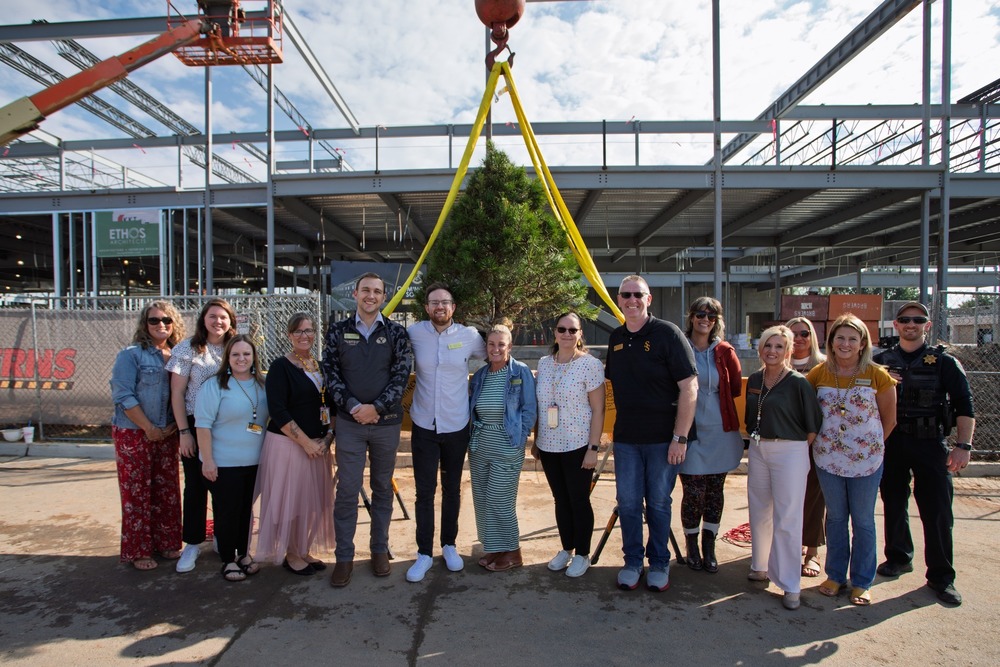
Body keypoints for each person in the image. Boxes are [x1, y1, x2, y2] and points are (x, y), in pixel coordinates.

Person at [873, 302, 976, 606]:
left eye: (918, 320)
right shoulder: (881, 362)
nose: (911, 324)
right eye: (905, 319)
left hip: (930, 443)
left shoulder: (944, 363)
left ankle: (941, 577)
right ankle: (899, 556)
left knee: (937, 511)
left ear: (927, 326)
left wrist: (963, 446)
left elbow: (964, 405)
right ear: (896, 324)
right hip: (893, 442)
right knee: (893, 502)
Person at [605, 275, 697, 592]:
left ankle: (659, 562)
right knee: (628, 503)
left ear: (649, 298)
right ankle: (633, 562)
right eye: (625, 295)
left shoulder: (667, 334)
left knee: (658, 503)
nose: (631, 300)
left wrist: (680, 437)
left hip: (663, 440)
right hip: (627, 439)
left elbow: (689, 387)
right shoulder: (615, 338)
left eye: (637, 295)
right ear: (618, 299)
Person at [323, 272, 413, 587]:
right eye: (365, 290)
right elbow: (330, 373)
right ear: (356, 294)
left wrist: (376, 408)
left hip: (385, 424)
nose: (371, 296)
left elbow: (401, 375)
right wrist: (353, 407)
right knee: (347, 491)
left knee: (382, 489)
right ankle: (344, 557)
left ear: (384, 297)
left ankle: (378, 550)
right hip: (350, 425)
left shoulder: (397, 333)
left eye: (377, 291)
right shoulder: (337, 331)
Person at [807, 314, 896, 606]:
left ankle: (861, 581)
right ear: (831, 342)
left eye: (852, 339)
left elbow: (889, 420)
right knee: (834, 518)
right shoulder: (818, 374)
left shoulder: (877, 375)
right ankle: (835, 575)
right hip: (828, 460)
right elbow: (804, 409)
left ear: (862, 344)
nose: (845, 344)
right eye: (840, 338)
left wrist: (867, 449)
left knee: (863, 521)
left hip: (866, 463)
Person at [405, 283, 485, 583]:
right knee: (424, 492)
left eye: (446, 302)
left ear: (454, 307)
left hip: (456, 425)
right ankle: (424, 552)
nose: (440, 306)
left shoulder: (469, 336)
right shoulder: (414, 333)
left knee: (452, 489)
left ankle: (449, 545)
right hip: (424, 425)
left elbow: (494, 356)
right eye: (434, 302)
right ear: (426, 307)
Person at [744, 325, 822, 610]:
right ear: (761, 349)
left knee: (788, 516)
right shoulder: (755, 378)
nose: (772, 351)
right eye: (768, 345)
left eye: (779, 346)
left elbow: (813, 425)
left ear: (788, 351)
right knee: (759, 508)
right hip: (759, 447)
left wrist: (794, 449)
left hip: (790, 449)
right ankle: (760, 564)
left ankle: (790, 584)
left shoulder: (798, 382)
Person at [254, 313, 335, 575]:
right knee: (290, 501)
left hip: (318, 445)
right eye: (299, 331)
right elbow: (279, 410)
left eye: (309, 330)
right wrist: (305, 443)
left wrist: (327, 438)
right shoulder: (281, 367)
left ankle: (302, 548)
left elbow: (329, 406)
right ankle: (290, 553)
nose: (305, 336)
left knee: (309, 502)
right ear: (289, 335)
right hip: (289, 445)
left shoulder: (319, 366)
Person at [110, 301, 186, 570]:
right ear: (145, 324)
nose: (161, 324)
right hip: (134, 434)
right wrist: (148, 428)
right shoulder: (131, 355)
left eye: (167, 319)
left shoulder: (178, 355)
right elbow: (123, 395)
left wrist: (172, 427)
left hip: (167, 433)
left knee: (167, 491)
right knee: (137, 493)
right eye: (154, 320)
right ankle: (139, 551)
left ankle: (167, 542)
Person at [166, 297, 237, 573]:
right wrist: (184, 431)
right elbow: (177, 392)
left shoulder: (236, 347)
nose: (218, 321)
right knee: (196, 486)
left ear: (231, 320)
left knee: (224, 484)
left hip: (228, 425)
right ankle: (193, 543)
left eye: (223, 317)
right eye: (213, 316)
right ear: (203, 320)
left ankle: (222, 535)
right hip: (196, 424)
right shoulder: (189, 348)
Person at [531, 312, 605, 579]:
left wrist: (593, 448)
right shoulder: (544, 363)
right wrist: (537, 439)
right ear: (554, 332)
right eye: (562, 329)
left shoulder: (590, 365)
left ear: (580, 334)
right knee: (560, 500)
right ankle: (566, 548)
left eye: (572, 330)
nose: (566, 334)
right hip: (549, 445)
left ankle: (583, 554)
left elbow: (598, 410)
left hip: (578, 444)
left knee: (578, 500)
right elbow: (541, 406)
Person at [195, 334, 269, 582]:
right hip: (224, 463)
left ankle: (244, 554)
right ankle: (228, 559)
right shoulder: (214, 386)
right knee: (227, 512)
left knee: (246, 512)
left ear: (254, 357)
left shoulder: (262, 384)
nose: (241, 359)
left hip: (254, 461)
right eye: (236, 354)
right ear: (228, 357)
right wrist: (207, 460)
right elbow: (203, 426)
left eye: (246, 354)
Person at [679, 297, 743, 575]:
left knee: (715, 492)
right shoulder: (679, 347)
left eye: (712, 316)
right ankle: (691, 544)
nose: (705, 319)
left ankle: (709, 545)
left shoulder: (725, 351)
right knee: (693, 492)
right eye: (700, 314)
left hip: (719, 431)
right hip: (689, 432)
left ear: (717, 321)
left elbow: (736, 388)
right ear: (692, 316)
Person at [468, 323, 537, 572]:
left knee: (500, 500)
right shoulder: (480, 375)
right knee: (484, 499)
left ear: (509, 346)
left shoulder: (520, 372)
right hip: (480, 444)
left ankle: (514, 552)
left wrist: (521, 437)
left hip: (507, 444)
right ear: (486, 347)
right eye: (491, 344)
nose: (496, 349)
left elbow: (529, 409)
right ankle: (496, 548)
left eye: (501, 344)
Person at [786, 316, 827, 578]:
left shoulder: (823, 366)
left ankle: (812, 551)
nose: (799, 338)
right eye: (794, 334)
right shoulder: (777, 362)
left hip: (816, 443)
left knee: (813, 496)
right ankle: (788, 546)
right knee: (785, 497)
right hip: (784, 442)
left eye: (804, 333)